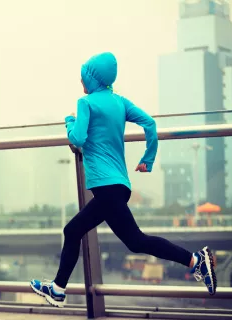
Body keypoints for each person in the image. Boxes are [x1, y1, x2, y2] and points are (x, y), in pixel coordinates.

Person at [29, 52, 217, 308]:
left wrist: (69, 122)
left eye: (82, 77)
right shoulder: (119, 102)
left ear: (92, 78)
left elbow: (78, 138)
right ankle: (58, 290)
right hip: (119, 186)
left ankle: (196, 260)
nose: (80, 82)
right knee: (118, 238)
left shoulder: (86, 104)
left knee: (96, 234)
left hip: (106, 188)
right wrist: (147, 159)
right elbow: (150, 123)